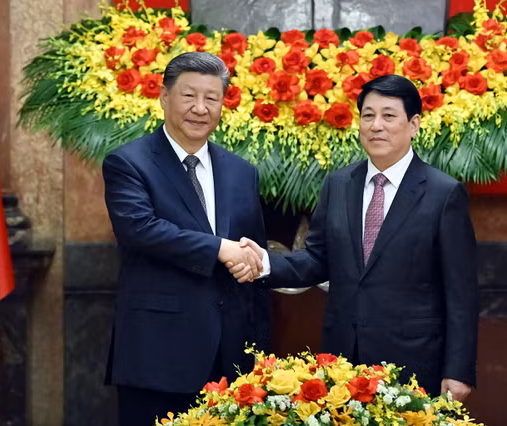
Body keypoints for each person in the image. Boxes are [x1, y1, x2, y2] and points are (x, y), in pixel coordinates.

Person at [235, 74, 479, 400]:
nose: (376, 125)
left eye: (389, 116)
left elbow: (461, 293)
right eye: (368, 116)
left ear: (414, 124)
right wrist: (263, 262)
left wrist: (459, 370)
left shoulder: (443, 194)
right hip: (343, 361)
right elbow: (317, 258)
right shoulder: (339, 184)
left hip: (414, 361)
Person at [102, 52, 270, 425]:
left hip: (232, 359)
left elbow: (253, 262)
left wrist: (260, 353)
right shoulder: (129, 162)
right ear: (164, 97)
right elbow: (139, 229)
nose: (200, 108)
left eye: (212, 98)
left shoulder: (242, 172)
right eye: (189, 96)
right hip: (158, 353)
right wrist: (219, 248)